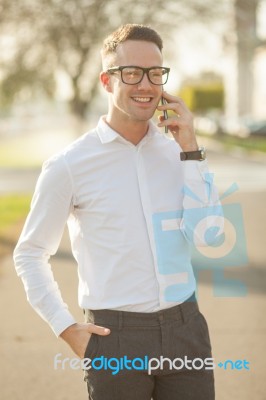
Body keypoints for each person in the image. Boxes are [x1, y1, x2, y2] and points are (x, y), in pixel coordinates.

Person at [14, 24, 223, 400]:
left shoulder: (182, 151)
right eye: (131, 73)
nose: (146, 84)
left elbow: (209, 236)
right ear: (106, 81)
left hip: (185, 328)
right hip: (115, 338)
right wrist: (66, 328)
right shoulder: (69, 164)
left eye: (155, 73)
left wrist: (191, 151)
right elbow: (30, 254)